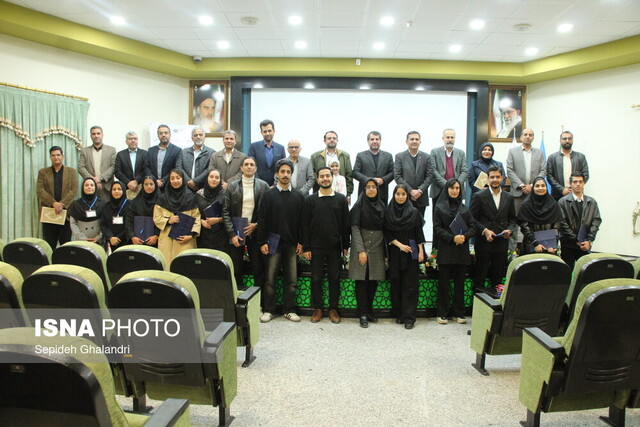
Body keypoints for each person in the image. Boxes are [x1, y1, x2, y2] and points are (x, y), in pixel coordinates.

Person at [258, 159, 305, 323]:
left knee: (291, 280)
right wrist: (262, 242)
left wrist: (301, 241)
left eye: (288, 172)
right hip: (272, 243)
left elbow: (302, 222)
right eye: (282, 172)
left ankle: (289, 310)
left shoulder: (298, 196)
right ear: (276, 174)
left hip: (291, 244)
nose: (285, 175)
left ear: (291, 174)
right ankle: (269, 310)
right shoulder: (268, 195)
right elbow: (262, 220)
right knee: (270, 279)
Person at [302, 167, 350, 324]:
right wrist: (306, 247)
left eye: (327, 176)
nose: (325, 179)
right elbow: (305, 225)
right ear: (317, 179)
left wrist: (345, 245)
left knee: (334, 278)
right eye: (321, 176)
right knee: (316, 278)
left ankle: (333, 309)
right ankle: (318, 308)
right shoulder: (310, 200)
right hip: (315, 247)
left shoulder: (341, 199)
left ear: (332, 178)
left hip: (334, 247)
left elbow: (345, 225)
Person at [433, 178, 477, 325]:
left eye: (457, 188)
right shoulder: (440, 207)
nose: (455, 191)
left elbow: (473, 227)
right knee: (444, 284)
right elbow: (437, 228)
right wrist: (452, 238)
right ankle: (442, 313)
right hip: (446, 249)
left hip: (461, 251)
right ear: (447, 189)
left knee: (460, 284)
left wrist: (464, 237)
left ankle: (459, 313)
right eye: (452, 188)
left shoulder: (465, 209)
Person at [222, 157, 269, 290]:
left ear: (256, 168)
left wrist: (257, 225)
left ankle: (258, 300)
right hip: (237, 232)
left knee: (258, 269)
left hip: (255, 232)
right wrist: (232, 234)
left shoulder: (263, 186)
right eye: (246, 164)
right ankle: (238, 298)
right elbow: (225, 212)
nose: (249, 166)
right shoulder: (232, 186)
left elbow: (268, 212)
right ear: (241, 168)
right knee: (236, 269)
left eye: (252, 165)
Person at [469, 166, 517, 297]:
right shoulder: (479, 196)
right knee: (480, 277)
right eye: (492, 177)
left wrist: (510, 230)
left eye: (497, 177)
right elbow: (471, 219)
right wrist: (484, 230)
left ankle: (495, 306)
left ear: (502, 178)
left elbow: (513, 219)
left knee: (498, 278)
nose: (495, 180)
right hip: (483, 243)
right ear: (488, 178)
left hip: (501, 243)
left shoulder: (509, 197)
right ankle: (478, 306)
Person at [384, 184, 425, 329]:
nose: (400, 197)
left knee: (410, 285)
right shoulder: (388, 212)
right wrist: (400, 245)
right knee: (396, 283)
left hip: (411, 250)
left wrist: (421, 251)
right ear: (394, 195)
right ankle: (400, 314)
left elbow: (419, 233)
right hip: (395, 251)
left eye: (403, 194)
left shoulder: (414, 212)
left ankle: (409, 318)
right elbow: (387, 233)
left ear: (407, 196)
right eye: (398, 194)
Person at [349, 178, 386, 328]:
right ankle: (362, 313)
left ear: (377, 189)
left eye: (374, 187)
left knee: (373, 281)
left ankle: (369, 310)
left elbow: (385, 228)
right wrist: (361, 250)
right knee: (362, 281)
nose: (371, 189)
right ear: (364, 190)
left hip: (377, 245)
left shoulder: (382, 206)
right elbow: (354, 228)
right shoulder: (358, 206)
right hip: (362, 244)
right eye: (368, 187)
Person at [506, 128, 546, 251]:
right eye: (525, 134)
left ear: (533, 137)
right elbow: (509, 170)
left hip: (534, 194)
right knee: (514, 223)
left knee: (533, 223)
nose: (528, 137)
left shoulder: (539, 153)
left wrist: (532, 186)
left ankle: (531, 250)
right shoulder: (513, 151)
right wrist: (521, 185)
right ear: (521, 137)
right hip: (517, 194)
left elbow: (543, 171)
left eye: (530, 135)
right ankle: (512, 252)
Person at [153, 169, 201, 264]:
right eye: (172, 178)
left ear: (182, 179)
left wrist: (191, 236)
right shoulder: (162, 198)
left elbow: (197, 218)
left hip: (185, 240)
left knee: (184, 266)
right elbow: (156, 217)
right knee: (167, 266)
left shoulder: (190, 197)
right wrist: (168, 221)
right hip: (167, 240)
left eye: (178, 178)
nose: (175, 181)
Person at [36, 146, 78, 249]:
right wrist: (53, 203)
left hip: (65, 212)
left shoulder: (71, 171)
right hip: (49, 212)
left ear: (62, 156)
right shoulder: (43, 172)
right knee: (50, 244)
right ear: (50, 157)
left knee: (66, 244)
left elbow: (74, 190)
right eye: (53, 155)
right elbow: (40, 190)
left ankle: (64, 260)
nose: (56, 157)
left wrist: (61, 204)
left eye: (58, 155)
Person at [558, 172, 602, 268]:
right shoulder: (562, 202)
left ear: (584, 183)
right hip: (568, 244)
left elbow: (596, 221)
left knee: (584, 271)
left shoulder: (591, 202)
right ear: (570, 184)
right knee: (567, 270)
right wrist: (576, 240)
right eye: (575, 182)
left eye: (580, 182)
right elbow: (562, 223)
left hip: (585, 244)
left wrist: (589, 240)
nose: (578, 184)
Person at [517, 177, 563, 255]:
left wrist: (552, 244)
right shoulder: (526, 205)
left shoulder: (553, 204)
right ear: (533, 188)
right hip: (531, 245)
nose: (540, 188)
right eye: (537, 186)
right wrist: (535, 243)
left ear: (546, 187)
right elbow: (525, 227)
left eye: (543, 185)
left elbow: (556, 226)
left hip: (549, 246)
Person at [393, 130, 433, 216]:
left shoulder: (426, 157)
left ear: (420, 142)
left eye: (416, 139)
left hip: (421, 197)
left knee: (419, 222)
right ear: (406, 141)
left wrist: (419, 191)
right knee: (404, 221)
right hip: (405, 196)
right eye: (411, 139)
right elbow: (397, 176)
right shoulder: (399, 156)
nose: (414, 141)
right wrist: (410, 191)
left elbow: (429, 176)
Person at [430, 129, 468, 213]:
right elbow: (433, 170)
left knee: (456, 217)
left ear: (455, 138)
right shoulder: (435, 152)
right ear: (443, 138)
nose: (450, 140)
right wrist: (447, 185)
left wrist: (455, 186)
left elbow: (465, 171)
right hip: (439, 190)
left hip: (456, 191)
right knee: (438, 217)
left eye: (452, 137)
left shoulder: (461, 153)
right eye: (447, 137)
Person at [310, 131, 354, 202]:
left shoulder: (345, 156)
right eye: (329, 138)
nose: (332, 140)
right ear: (325, 141)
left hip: (340, 195)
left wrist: (348, 194)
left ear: (337, 140)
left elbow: (349, 175)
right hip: (320, 194)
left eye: (334, 138)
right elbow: (312, 174)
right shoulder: (315, 156)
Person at [546, 130, 590, 200]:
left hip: (576, 194)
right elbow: (549, 176)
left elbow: (585, 175)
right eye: (564, 139)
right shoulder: (552, 158)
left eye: (569, 139)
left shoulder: (581, 157)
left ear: (572, 140)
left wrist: (574, 188)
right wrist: (562, 189)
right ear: (560, 140)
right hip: (557, 195)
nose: (567, 141)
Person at [353, 131, 394, 204]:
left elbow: (393, 172)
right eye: (372, 139)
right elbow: (355, 172)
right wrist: (368, 180)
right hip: (365, 193)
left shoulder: (388, 156)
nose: (374, 141)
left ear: (380, 141)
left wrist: (383, 180)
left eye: (377, 139)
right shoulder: (360, 155)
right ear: (368, 141)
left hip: (382, 194)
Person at [77, 125, 116, 200]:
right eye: (93, 134)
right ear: (90, 136)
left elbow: (113, 166)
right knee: (89, 207)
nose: (96, 136)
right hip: (90, 187)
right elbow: (80, 167)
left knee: (107, 207)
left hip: (106, 188)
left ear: (102, 135)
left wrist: (100, 178)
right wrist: (93, 180)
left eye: (98, 133)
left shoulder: (111, 150)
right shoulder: (84, 151)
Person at [195, 169, 228, 252]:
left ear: (220, 180)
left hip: (221, 234)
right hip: (202, 234)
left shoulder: (225, 194)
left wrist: (218, 220)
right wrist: (200, 221)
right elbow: (193, 213)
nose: (214, 179)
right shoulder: (199, 194)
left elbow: (231, 214)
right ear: (207, 178)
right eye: (211, 177)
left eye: (217, 178)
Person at [176, 126, 215, 191]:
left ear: (204, 137)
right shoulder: (183, 152)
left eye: (200, 135)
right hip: (185, 188)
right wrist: (188, 181)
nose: (198, 137)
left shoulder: (211, 152)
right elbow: (179, 167)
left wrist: (195, 181)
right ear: (192, 138)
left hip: (203, 188)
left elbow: (209, 169)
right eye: (195, 135)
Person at [68, 177, 105, 244]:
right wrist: (82, 238)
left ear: (95, 188)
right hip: (81, 240)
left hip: (99, 241)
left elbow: (106, 223)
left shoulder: (102, 203)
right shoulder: (76, 204)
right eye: (86, 185)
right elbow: (73, 223)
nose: (89, 187)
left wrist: (98, 237)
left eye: (92, 185)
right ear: (83, 188)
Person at [248, 119, 285, 186]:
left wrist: (275, 185)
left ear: (274, 131)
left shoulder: (281, 148)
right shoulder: (254, 147)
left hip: (276, 186)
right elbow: (251, 166)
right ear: (261, 132)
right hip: (258, 185)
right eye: (265, 131)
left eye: (269, 131)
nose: (267, 133)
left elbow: (282, 168)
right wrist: (260, 184)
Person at [124, 176, 159, 247]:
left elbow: (163, 221)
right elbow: (129, 221)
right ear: (142, 186)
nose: (149, 186)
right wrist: (132, 236)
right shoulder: (135, 202)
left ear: (155, 185)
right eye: (146, 184)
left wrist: (156, 236)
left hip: (157, 242)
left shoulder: (161, 201)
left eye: (151, 184)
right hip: (138, 241)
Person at [114, 131, 149, 199]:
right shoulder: (120, 155)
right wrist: (128, 182)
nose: (133, 141)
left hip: (141, 187)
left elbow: (146, 169)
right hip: (126, 188)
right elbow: (117, 172)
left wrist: (136, 181)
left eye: (135, 139)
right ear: (126, 141)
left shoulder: (145, 153)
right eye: (130, 139)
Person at [147, 124, 182, 190]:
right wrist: (154, 180)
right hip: (153, 185)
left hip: (169, 185)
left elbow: (176, 168)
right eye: (161, 133)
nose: (163, 135)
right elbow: (147, 167)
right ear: (158, 136)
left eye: (166, 133)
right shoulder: (151, 150)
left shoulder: (177, 150)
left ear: (170, 135)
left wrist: (163, 181)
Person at [100, 181, 129, 252]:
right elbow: (103, 224)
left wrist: (118, 238)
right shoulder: (106, 206)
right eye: (114, 189)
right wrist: (110, 237)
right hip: (111, 241)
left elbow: (130, 224)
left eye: (119, 189)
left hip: (127, 240)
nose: (116, 191)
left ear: (123, 191)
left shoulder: (130, 205)